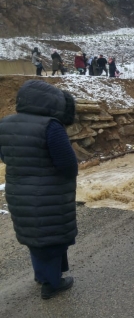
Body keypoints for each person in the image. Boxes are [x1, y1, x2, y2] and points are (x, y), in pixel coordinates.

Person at [0, 80, 78, 300]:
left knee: (36, 237)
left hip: (18, 191)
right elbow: (67, 164)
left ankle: (42, 275)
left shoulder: (5, 123)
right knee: (52, 236)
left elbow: (6, 157)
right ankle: (51, 284)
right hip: (49, 192)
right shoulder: (51, 126)